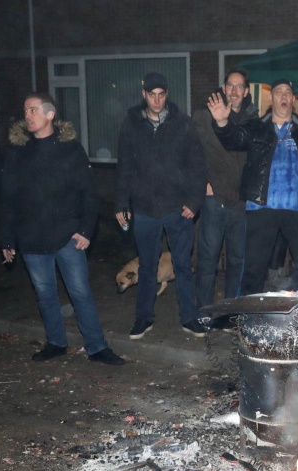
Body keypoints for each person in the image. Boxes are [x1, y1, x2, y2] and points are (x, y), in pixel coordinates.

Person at [1, 93, 124, 365]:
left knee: (80, 292)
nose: (27, 115)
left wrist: (85, 230)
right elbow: (9, 199)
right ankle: (56, 342)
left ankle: (97, 347)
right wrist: (8, 238)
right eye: (25, 110)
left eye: (33, 110)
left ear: (49, 114)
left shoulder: (70, 149)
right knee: (44, 293)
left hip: (67, 236)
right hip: (32, 238)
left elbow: (88, 194)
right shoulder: (19, 153)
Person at [207, 75, 298, 296]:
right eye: (279, 92)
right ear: (272, 97)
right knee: (253, 269)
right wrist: (222, 123)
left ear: (293, 98)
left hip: (297, 207)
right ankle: (249, 321)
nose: (284, 96)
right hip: (262, 207)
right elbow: (235, 138)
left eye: (288, 92)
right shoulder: (257, 127)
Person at [115, 72, 207, 339]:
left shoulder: (183, 124)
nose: (157, 100)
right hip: (144, 209)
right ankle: (144, 318)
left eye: (161, 94)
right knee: (146, 266)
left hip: (178, 208)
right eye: (152, 94)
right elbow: (125, 168)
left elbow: (198, 167)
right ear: (144, 94)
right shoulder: (131, 125)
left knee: (182, 265)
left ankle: (189, 319)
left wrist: (194, 201)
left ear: (167, 95)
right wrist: (122, 202)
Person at [192, 68, 258, 320]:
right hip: (214, 199)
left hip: (241, 203)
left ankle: (232, 311)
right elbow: (191, 154)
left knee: (237, 261)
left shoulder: (253, 119)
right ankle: (205, 312)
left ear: (246, 91)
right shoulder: (204, 116)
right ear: (223, 87)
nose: (234, 91)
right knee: (207, 260)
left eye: (239, 87)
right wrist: (202, 184)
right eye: (230, 86)